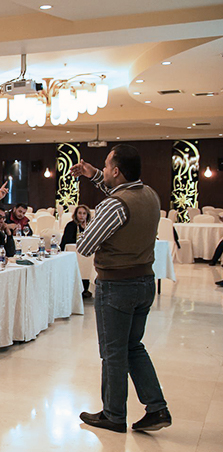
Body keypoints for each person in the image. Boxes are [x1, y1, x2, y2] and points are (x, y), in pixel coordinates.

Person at [73, 144, 171, 433]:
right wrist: (93, 176)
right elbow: (121, 200)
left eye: (104, 166)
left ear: (116, 171)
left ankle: (114, 415)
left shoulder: (113, 206)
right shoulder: (150, 195)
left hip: (117, 285)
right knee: (134, 347)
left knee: (113, 352)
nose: (102, 170)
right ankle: (157, 408)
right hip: (144, 282)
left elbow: (85, 245)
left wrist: (92, 227)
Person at [62, 205, 92, 298]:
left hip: (85, 254)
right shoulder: (71, 225)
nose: (82, 216)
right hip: (72, 253)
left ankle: (85, 288)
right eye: (79, 213)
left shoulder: (90, 226)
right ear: (76, 214)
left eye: (84, 213)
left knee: (87, 264)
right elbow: (67, 241)